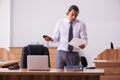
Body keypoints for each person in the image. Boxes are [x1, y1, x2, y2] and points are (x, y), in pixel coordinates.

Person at [44, 5, 88, 69]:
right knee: (59, 75)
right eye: (72, 14)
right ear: (67, 13)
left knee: (73, 76)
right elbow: (56, 38)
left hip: (74, 54)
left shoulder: (81, 24)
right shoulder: (60, 22)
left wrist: (84, 44)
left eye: (76, 15)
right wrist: (50, 39)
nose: (74, 17)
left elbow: (84, 39)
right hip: (61, 53)